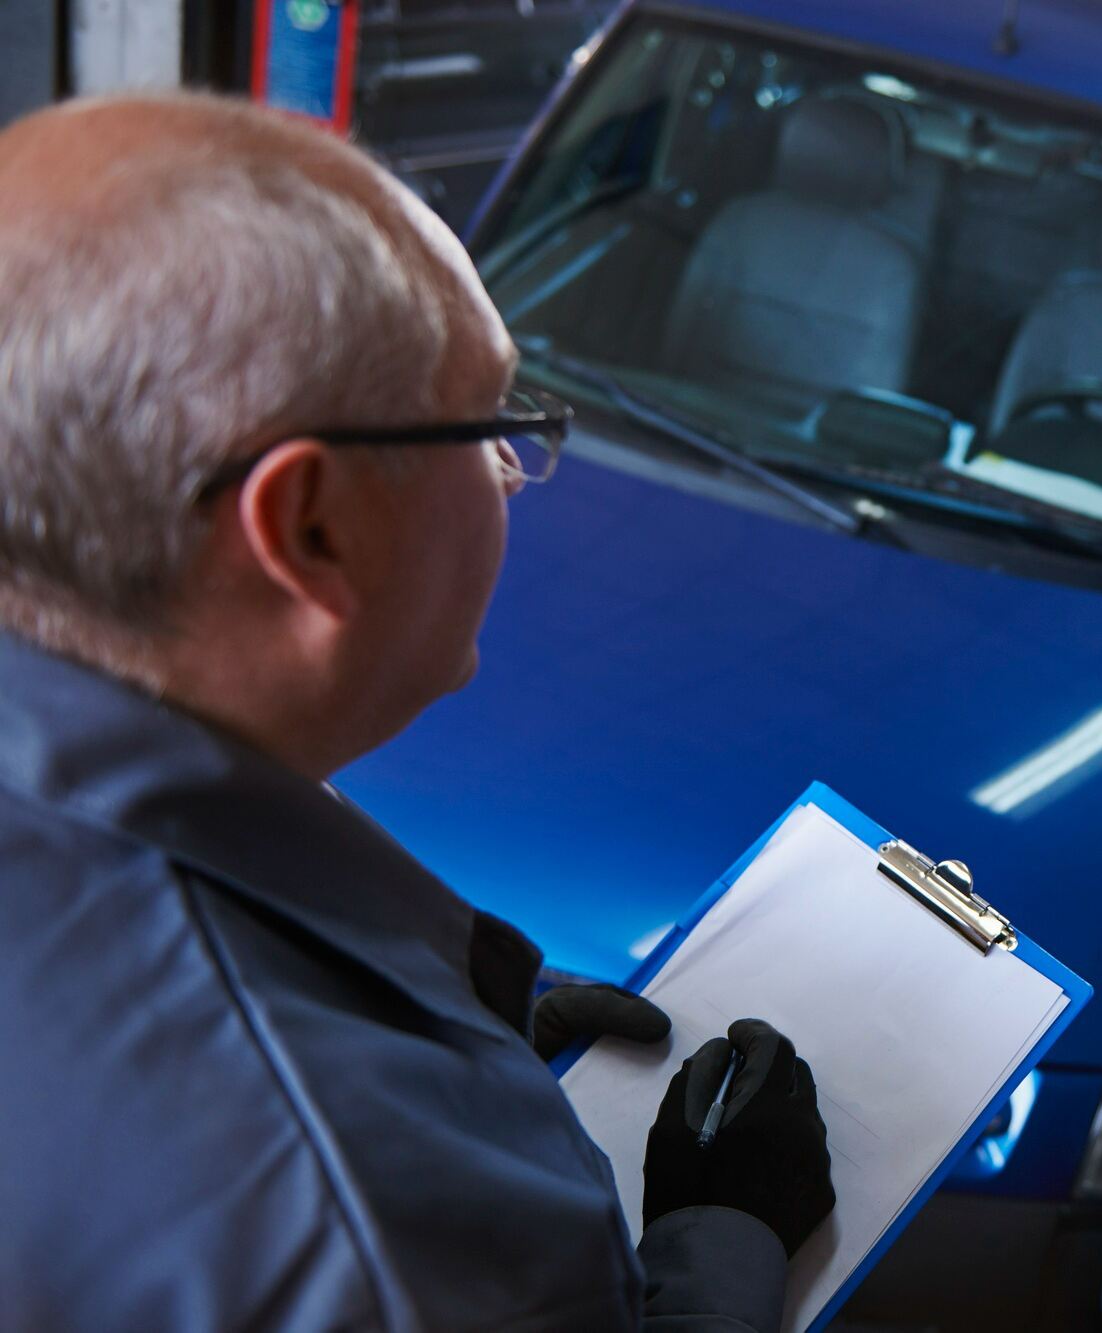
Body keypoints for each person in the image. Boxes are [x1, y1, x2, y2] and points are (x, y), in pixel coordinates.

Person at [0, 93, 831, 1330]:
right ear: (313, 530)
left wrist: (423, 1015)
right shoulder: (376, 1224)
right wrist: (726, 1238)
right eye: (490, 419)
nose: (513, 471)